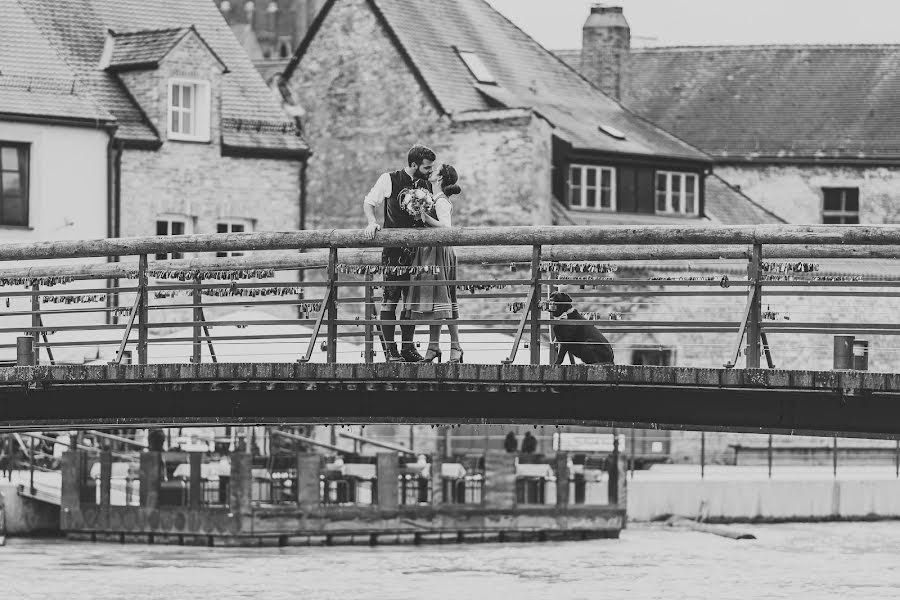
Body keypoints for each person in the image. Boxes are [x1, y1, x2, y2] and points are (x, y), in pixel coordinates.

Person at [363, 145, 436, 362]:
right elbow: (369, 202)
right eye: (427, 167)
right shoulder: (390, 179)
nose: (430, 171)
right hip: (394, 251)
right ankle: (389, 350)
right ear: (414, 164)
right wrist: (372, 222)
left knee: (412, 301)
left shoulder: (426, 185)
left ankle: (407, 348)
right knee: (391, 299)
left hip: (419, 252)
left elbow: (428, 217)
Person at [405, 164, 464, 364]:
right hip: (432, 252)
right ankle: (433, 346)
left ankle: (455, 347)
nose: (431, 172)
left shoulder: (440, 201)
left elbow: (446, 228)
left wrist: (425, 218)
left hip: (440, 252)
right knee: (437, 304)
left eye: (435, 171)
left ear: (440, 179)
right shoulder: (434, 197)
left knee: (445, 301)